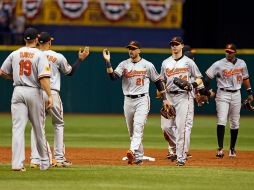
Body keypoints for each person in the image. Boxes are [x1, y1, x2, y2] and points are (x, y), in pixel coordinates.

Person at [102, 41, 170, 165]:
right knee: (132, 131)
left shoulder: (147, 65)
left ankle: (132, 151)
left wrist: (165, 98)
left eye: (133, 48)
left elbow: (158, 82)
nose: (131, 51)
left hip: (142, 99)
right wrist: (108, 61)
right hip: (128, 100)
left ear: (139, 50)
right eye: (129, 48)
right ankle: (138, 157)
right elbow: (113, 77)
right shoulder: (124, 64)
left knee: (138, 127)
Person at [30, 32, 90, 168]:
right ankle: (59, 158)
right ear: (49, 42)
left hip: (36, 93)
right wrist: (80, 59)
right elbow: (70, 72)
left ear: (39, 42)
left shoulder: (33, 55)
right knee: (58, 124)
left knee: (37, 126)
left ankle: (35, 159)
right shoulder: (57, 57)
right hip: (52, 93)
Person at [0, 27, 53, 171]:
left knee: (17, 129)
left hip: (17, 91)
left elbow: (2, 72)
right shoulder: (39, 55)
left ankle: (17, 164)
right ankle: (43, 162)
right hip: (34, 91)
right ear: (36, 40)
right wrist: (49, 95)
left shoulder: (15, 53)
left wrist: (16, 77)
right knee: (38, 128)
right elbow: (43, 79)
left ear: (24, 39)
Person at [160, 36, 203, 166]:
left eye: (176, 44)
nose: (174, 46)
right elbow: (161, 80)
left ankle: (181, 157)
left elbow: (199, 77)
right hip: (169, 96)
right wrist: (163, 98)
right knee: (166, 128)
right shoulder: (165, 62)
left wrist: (192, 85)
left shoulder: (189, 62)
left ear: (182, 46)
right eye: (172, 44)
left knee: (181, 128)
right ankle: (178, 148)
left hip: (184, 97)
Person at [205, 43, 253, 158]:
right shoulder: (218, 64)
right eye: (227, 51)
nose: (228, 53)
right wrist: (205, 91)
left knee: (235, 122)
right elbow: (207, 77)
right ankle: (220, 149)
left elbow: (245, 78)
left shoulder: (242, 63)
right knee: (221, 120)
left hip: (237, 94)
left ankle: (232, 148)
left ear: (235, 52)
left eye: (230, 52)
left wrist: (250, 92)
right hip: (223, 94)